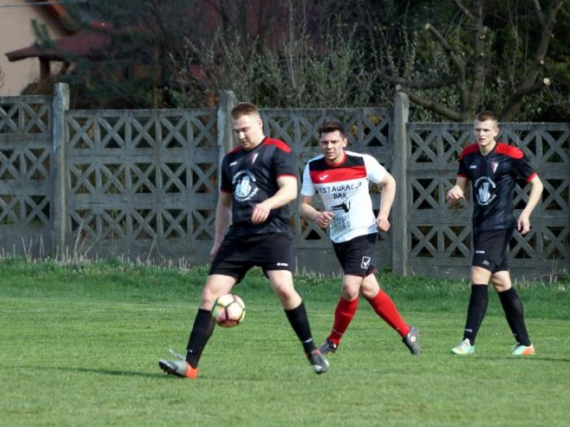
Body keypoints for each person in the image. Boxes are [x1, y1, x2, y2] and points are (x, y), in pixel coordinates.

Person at [158, 103, 329, 379]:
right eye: (236, 131)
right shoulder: (230, 160)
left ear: (260, 124)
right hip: (238, 237)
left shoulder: (278, 150)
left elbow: (290, 190)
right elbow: (224, 204)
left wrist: (268, 204)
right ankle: (189, 366)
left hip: (272, 234)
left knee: (284, 290)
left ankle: (312, 351)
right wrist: (217, 241)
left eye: (245, 129)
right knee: (209, 295)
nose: (241, 135)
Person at [299, 122, 420, 355]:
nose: (329, 147)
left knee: (349, 287)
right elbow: (303, 207)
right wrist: (316, 215)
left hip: (363, 233)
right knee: (369, 289)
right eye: (325, 142)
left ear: (344, 142)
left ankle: (332, 341)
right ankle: (407, 332)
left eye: (334, 142)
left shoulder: (362, 162)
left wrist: (383, 215)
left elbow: (389, 182)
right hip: (339, 237)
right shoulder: (312, 168)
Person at [446, 111, 543, 356]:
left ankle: (467, 341)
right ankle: (525, 344)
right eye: (478, 129)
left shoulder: (511, 155)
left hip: (500, 226)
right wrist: (454, 192)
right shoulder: (468, 155)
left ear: (496, 131)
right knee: (501, 282)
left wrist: (525, 214)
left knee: (478, 275)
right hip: (480, 225)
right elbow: (460, 185)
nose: (481, 134)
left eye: (486, 130)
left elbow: (537, 184)